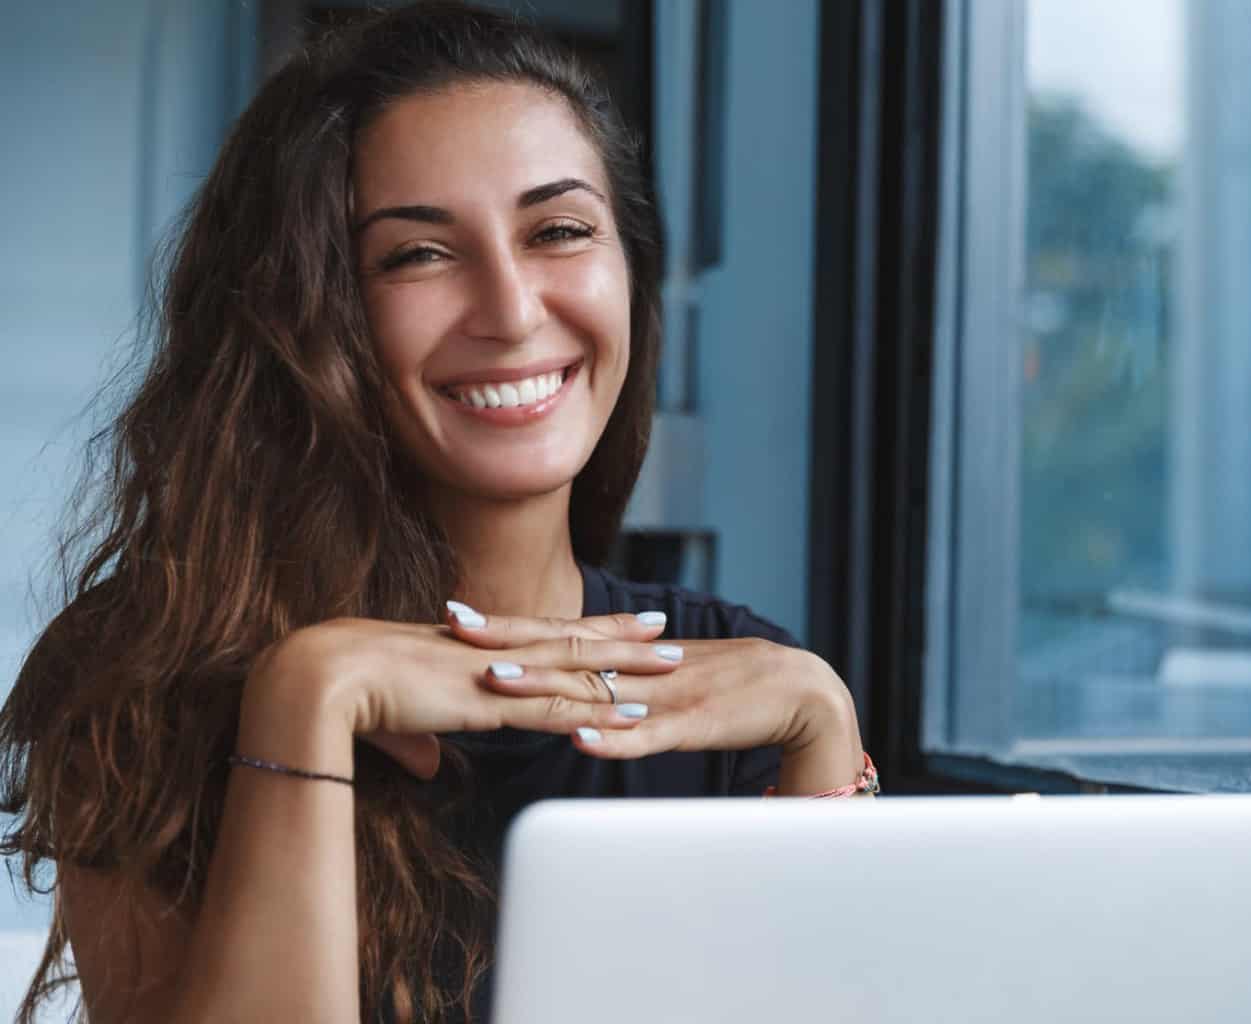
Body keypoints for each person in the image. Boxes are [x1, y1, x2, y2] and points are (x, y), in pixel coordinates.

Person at [0, 3, 875, 1021]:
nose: (510, 310)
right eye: (418, 253)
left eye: (558, 231)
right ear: (312, 311)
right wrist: (310, 698)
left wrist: (824, 724)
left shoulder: (746, 686)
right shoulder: (147, 672)